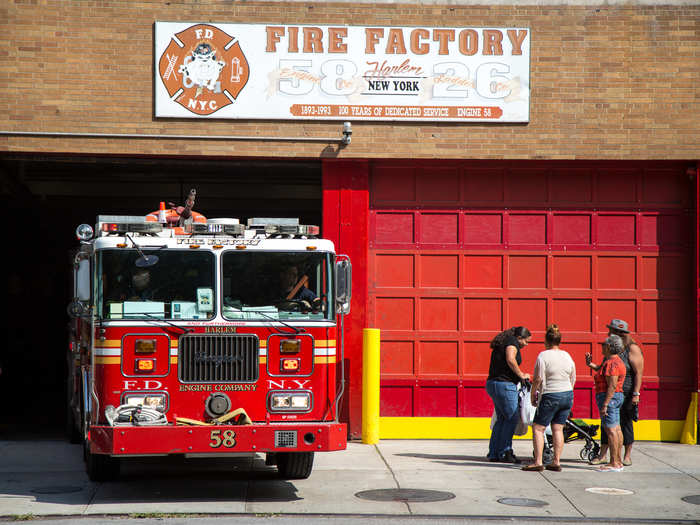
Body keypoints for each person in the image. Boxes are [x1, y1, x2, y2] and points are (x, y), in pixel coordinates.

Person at [589, 319, 643, 466]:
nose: (608, 332)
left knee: (625, 423)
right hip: (611, 392)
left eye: (611, 330)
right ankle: (604, 455)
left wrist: (636, 394)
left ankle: (626, 456)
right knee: (608, 424)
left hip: (625, 392)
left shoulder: (632, 348)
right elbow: (603, 367)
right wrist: (591, 365)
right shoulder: (613, 348)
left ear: (620, 333)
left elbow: (638, 373)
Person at [522, 324, 576, 472]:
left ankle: (538, 462)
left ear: (546, 340)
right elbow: (573, 377)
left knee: (538, 428)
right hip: (567, 394)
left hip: (550, 394)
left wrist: (533, 394)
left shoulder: (543, 356)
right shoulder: (567, 355)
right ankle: (556, 462)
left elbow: (538, 379)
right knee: (558, 428)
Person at [486, 326, 532, 464]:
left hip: (494, 384)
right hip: (505, 385)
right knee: (512, 418)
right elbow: (511, 359)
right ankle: (505, 452)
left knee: (502, 419)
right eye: (526, 341)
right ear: (519, 338)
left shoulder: (505, 341)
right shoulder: (512, 342)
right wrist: (521, 375)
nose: (526, 344)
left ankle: (494, 452)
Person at [587, 334, 627, 472]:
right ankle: (618, 460)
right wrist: (590, 364)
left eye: (604, 345)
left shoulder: (612, 363)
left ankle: (614, 462)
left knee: (611, 430)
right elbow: (602, 372)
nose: (602, 347)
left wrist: (605, 403)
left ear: (609, 347)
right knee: (616, 428)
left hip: (610, 398)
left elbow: (612, 385)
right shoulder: (613, 361)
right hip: (616, 397)